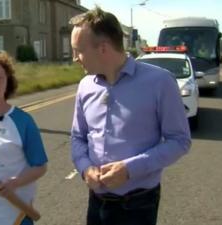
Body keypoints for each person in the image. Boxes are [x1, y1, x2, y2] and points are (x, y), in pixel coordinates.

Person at [69, 7, 191, 225]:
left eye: (78, 50)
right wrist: (85, 168)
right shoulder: (85, 86)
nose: (75, 58)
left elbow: (179, 141)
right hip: (96, 202)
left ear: (103, 48)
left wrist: (129, 170)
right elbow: (78, 137)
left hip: (138, 205)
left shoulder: (160, 82)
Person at [0, 51, 48, 225]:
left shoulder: (23, 121)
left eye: (0, 77)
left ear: (7, 83)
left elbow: (40, 167)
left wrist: (16, 182)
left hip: (15, 215)